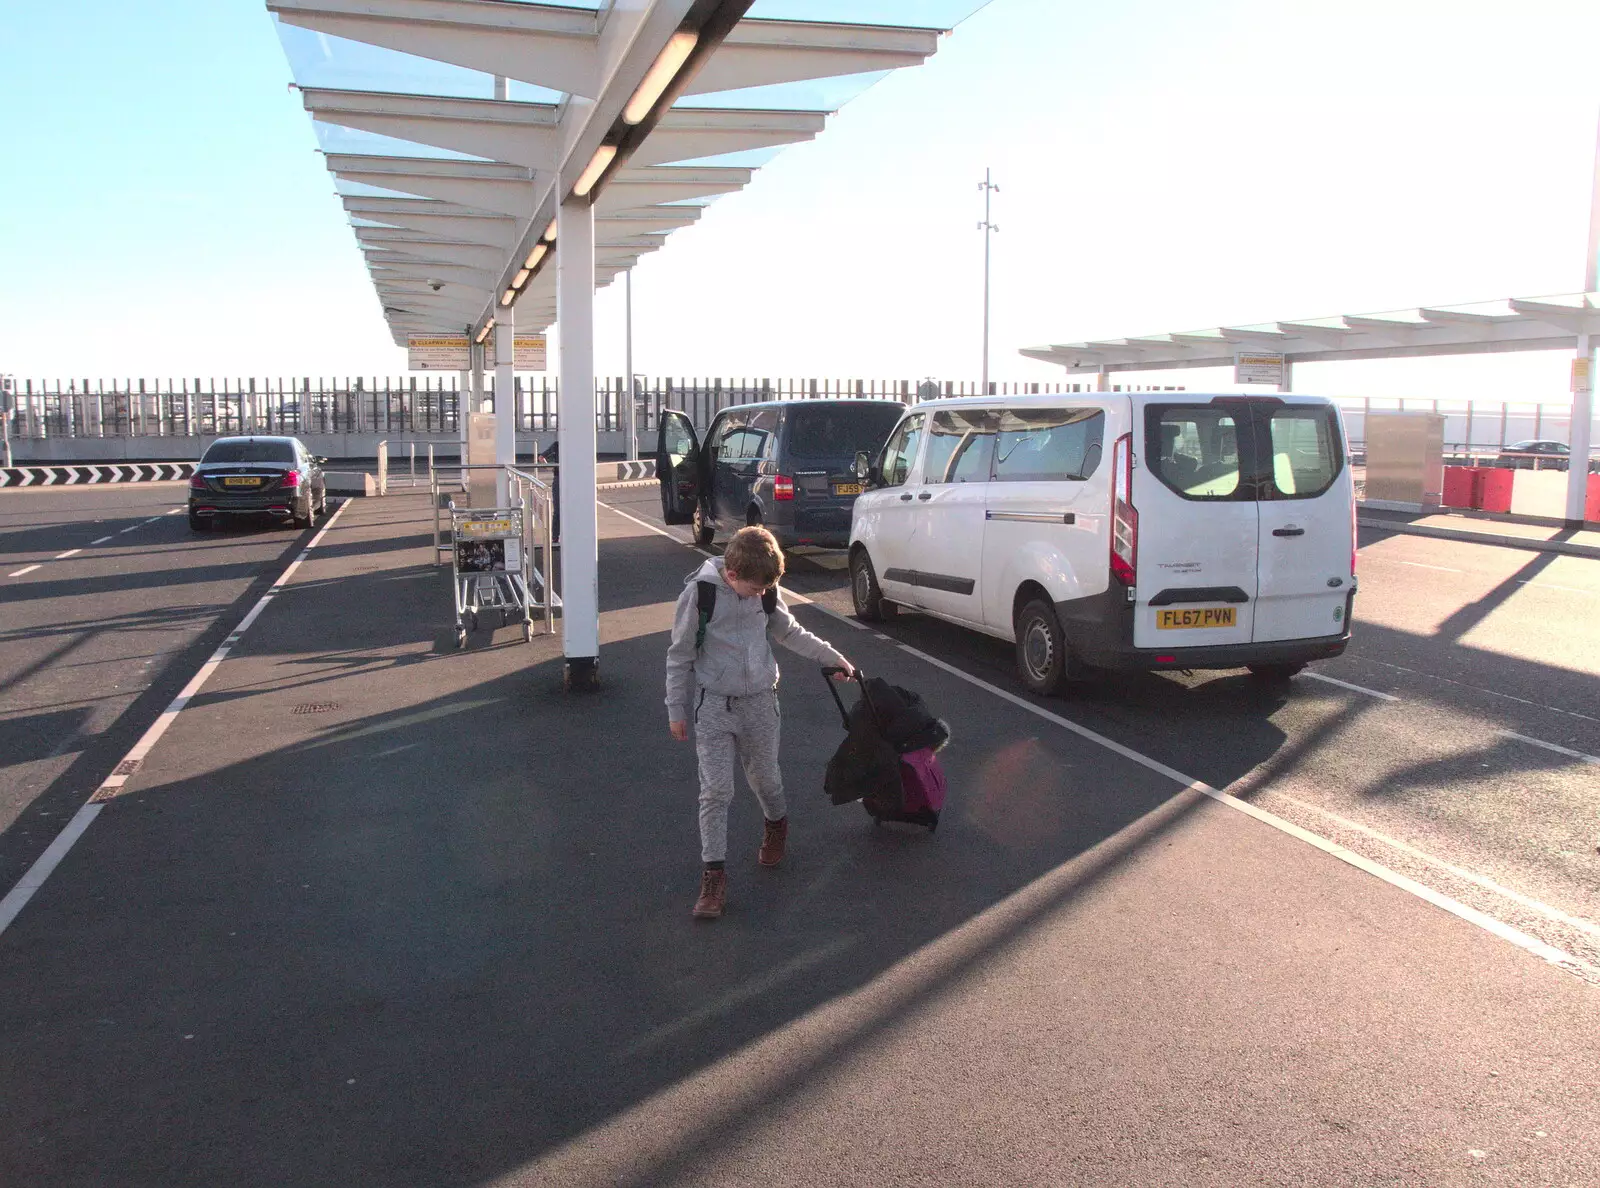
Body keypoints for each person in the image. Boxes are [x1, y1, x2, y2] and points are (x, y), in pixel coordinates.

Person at [666, 526, 854, 920]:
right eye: (755, 589)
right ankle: (713, 876)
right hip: (714, 704)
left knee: (765, 779)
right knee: (716, 791)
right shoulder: (699, 596)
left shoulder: (765, 591)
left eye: (767, 588)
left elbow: (788, 631)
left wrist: (831, 657)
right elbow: (679, 654)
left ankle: (776, 823)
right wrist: (676, 708)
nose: (762, 594)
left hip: (760, 704)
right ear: (732, 575)